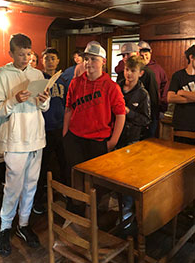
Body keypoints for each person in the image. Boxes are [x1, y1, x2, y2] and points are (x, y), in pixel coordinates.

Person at [0, 33, 50, 257]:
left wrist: (45, 100)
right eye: (21, 54)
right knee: (13, 186)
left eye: (29, 54)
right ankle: (5, 228)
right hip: (15, 138)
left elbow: (44, 107)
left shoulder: (37, 74)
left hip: (36, 136)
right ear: (11, 53)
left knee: (31, 184)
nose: (26, 58)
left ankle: (23, 224)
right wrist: (14, 100)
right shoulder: (2, 75)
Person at [63, 41, 126, 187]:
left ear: (103, 62)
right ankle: (74, 206)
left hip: (97, 141)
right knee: (74, 178)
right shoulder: (75, 83)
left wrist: (113, 142)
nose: (88, 63)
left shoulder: (111, 86)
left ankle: (92, 209)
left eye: (93, 59)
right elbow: (69, 108)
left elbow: (120, 115)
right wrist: (65, 134)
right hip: (75, 139)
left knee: (95, 183)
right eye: (86, 59)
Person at [33, 47, 67, 214]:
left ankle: (66, 194)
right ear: (42, 61)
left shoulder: (62, 80)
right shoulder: (39, 79)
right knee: (41, 166)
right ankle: (37, 200)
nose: (50, 61)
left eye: (53, 58)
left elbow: (67, 105)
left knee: (63, 164)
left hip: (60, 128)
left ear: (58, 61)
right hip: (44, 130)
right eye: (46, 59)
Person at [116, 42, 159, 138]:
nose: (125, 57)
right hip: (117, 130)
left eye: (128, 54)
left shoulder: (148, 74)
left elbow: (153, 101)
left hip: (137, 130)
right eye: (123, 55)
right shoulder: (119, 81)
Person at [117, 55, 151, 149]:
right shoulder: (116, 87)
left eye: (133, 71)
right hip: (114, 135)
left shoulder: (143, 94)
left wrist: (128, 112)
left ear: (140, 73)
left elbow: (146, 120)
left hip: (131, 139)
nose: (129, 73)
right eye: (127, 69)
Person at [167, 44, 195, 143]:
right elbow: (170, 98)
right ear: (191, 57)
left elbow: (176, 95)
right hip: (181, 125)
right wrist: (192, 98)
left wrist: (182, 92)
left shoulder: (182, 90)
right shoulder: (178, 76)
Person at [138, 41, 168, 113]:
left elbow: (165, 87)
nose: (145, 58)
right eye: (141, 56)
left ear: (150, 53)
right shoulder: (135, 68)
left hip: (154, 107)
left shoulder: (158, 69)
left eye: (146, 54)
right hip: (139, 108)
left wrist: (162, 105)